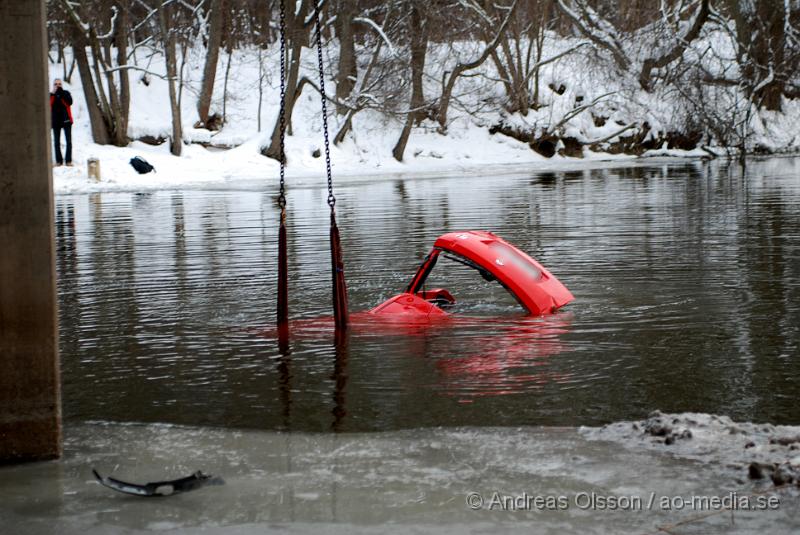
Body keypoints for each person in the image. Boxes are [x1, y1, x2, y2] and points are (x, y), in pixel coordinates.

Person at [50, 79, 74, 167]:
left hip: (66, 120)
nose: (58, 85)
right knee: (56, 142)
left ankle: (68, 161)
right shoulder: (51, 95)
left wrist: (61, 94)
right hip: (55, 122)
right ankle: (59, 161)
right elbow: (49, 104)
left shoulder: (66, 93)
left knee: (69, 142)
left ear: (62, 85)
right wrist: (53, 94)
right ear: (53, 85)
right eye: (56, 84)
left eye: (59, 84)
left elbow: (69, 103)